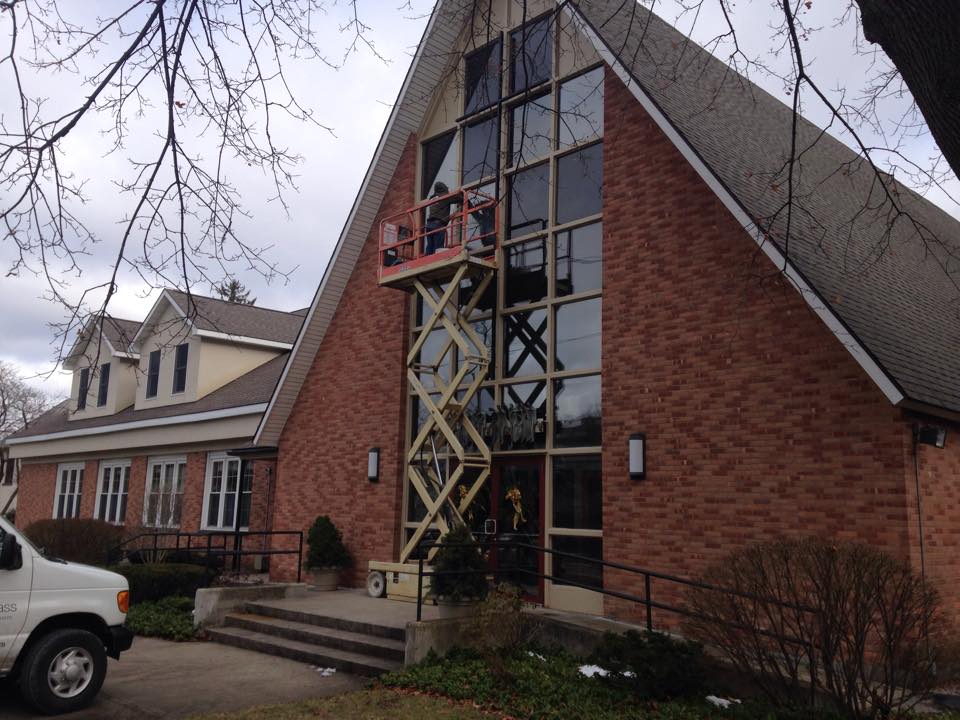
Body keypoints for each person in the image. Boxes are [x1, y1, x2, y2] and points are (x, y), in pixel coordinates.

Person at [425, 181, 457, 254]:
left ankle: (428, 261)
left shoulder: (432, 198)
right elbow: (458, 199)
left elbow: (437, 212)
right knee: (438, 248)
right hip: (438, 225)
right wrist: (458, 192)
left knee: (430, 247)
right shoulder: (445, 197)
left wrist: (448, 217)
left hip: (429, 225)